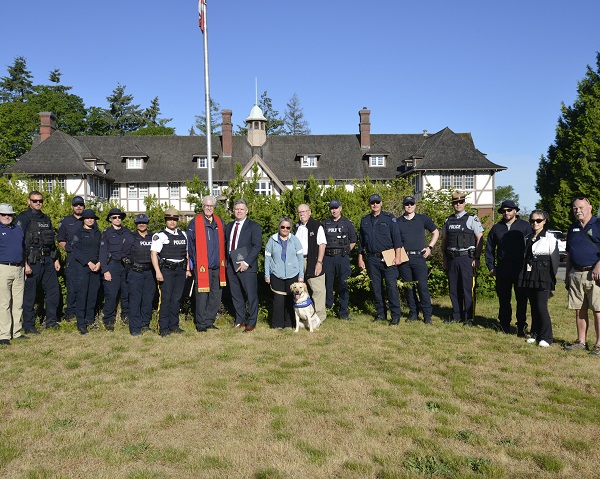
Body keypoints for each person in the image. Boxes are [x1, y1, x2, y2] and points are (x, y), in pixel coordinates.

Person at [15, 191, 61, 333]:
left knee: (53, 291)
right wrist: (25, 264)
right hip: (32, 260)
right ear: (29, 201)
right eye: (35, 201)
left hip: (48, 260)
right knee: (30, 295)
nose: (38, 203)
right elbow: (19, 243)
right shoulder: (23, 218)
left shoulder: (46, 219)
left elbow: (51, 242)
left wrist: (56, 259)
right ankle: (28, 325)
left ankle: (51, 321)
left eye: (40, 200)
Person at [485, 199, 533, 336]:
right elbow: (489, 248)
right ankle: (504, 325)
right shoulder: (497, 228)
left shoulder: (525, 226)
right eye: (504, 211)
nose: (506, 213)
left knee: (521, 299)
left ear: (515, 211)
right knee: (504, 298)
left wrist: (530, 266)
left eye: (509, 210)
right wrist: (491, 266)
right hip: (503, 268)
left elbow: (532, 247)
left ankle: (521, 326)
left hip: (520, 268)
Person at [357, 194, 404, 325]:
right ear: (370, 204)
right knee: (376, 288)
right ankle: (381, 314)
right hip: (372, 258)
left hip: (389, 256)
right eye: (372, 202)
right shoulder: (365, 220)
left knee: (391, 286)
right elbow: (361, 242)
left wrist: (398, 256)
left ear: (381, 203)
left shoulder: (389, 218)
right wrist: (360, 258)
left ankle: (395, 315)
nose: (375, 204)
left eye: (377, 202)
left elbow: (397, 239)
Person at [441, 191, 484, 326]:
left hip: (466, 258)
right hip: (452, 259)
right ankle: (456, 315)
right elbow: (444, 241)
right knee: (454, 289)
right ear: (452, 204)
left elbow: (480, 238)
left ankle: (469, 318)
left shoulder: (472, 218)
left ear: (464, 203)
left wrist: (476, 257)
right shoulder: (448, 220)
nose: (458, 204)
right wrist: (445, 259)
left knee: (467, 289)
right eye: (455, 202)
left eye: (460, 202)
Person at [564, 196, 600, 355]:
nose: (578, 211)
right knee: (579, 309)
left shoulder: (598, 224)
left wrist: (599, 266)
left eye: (581, 207)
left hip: (595, 274)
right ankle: (581, 341)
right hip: (576, 274)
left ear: (590, 207)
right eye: (575, 208)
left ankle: (599, 344)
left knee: (598, 310)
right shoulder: (573, 228)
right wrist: (567, 274)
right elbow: (569, 253)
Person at [518, 210, 559, 347]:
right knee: (534, 306)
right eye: (532, 220)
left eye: (538, 220)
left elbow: (555, 261)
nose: (535, 223)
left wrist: (551, 279)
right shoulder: (527, 238)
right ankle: (534, 333)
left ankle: (547, 337)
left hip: (544, 276)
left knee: (542, 307)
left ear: (544, 221)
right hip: (530, 275)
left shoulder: (550, 238)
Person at [396, 195, 439, 325]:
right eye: (407, 204)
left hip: (419, 257)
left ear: (415, 205)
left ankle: (427, 316)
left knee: (422, 287)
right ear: (403, 206)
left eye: (411, 204)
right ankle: (413, 313)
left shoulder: (422, 219)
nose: (409, 206)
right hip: (404, 258)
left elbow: (436, 232)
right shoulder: (397, 221)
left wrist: (429, 247)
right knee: (408, 288)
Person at [187, 196, 227, 333]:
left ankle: (210, 321)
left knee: (216, 294)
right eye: (206, 205)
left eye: (211, 206)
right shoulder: (195, 222)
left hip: (217, 264)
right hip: (202, 265)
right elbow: (191, 244)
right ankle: (201, 323)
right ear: (202, 206)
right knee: (202, 294)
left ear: (214, 207)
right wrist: (195, 262)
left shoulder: (219, 222)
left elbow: (225, 242)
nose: (209, 208)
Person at [152, 208, 192, 336]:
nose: (172, 222)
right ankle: (163, 328)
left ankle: (174, 325)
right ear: (166, 220)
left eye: (174, 219)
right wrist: (158, 272)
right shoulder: (160, 236)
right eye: (170, 219)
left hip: (180, 270)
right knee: (166, 299)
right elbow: (153, 255)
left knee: (176, 299)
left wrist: (187, 269)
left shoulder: (183, 234)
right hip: (166, 271)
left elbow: (187, 253)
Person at [226, 199, 262, 332]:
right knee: (236, 294)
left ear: (246, 211)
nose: (239, 211)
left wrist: (246, 262)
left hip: (247, 265)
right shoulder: (229, 226)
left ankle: (251, 322)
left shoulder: (254, 226)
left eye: (242, 209)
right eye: (237, 209)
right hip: (231, 264)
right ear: (233, 211)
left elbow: (257, 246)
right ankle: (239, 320)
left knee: (251, 295)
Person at [265, 217, 305, 329]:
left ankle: (289, 324)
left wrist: (301, 275)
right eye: (283, 227)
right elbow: (267, 259)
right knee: (278, 300)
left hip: (293, 274)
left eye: (288, 227)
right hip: (276, 274)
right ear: (279, 227)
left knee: (290, 300)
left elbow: (300, 258)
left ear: (290, 228)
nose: (285, 229)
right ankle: (277, 324)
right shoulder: (272, 240)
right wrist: (267, 275)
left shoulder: (295, 240)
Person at [322, 200, 357, 321]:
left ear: (340, 208)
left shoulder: (347, 223)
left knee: (343, 284)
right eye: (332, 208)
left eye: (336, 208)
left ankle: (343, 312)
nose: (334, 210)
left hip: (342, 258)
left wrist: (346, 252)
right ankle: (327, 310)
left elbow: (353, 240)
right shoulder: (325, 224)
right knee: (328, 285)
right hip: (328, 258)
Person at [99, 208, 132, 331]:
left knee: (126, 293)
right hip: (112, 266)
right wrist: (105, 270)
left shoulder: (127, 232)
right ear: (110, 219)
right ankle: (108, 320)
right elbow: (102, 253)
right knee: (111, 295)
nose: (117, 219)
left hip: (126, 267)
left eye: (119, 217)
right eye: (114, 217)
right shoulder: (106, 233)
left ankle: (125, 317)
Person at [70, 209, 101, 335]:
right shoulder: (79, 232)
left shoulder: (98, 232)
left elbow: (102, 249)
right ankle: (81, 323)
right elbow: (76, 251)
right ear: (83, 219)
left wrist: (99, 263)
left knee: (92, 295)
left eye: (92, 218)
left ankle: (90, 320)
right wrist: (88, 263)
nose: (90, 220)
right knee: (82, 295)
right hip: (83, 267)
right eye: (87, 218)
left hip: (96, 267)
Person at [295, 204, 327, 322]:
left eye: (304, 211)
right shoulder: (296, 227)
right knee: (299, 289)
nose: (302, 214)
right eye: (300, 212)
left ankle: (319, 318)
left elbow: (322, 245)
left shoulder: (317, 226)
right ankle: (302, 318)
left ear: (310, 212)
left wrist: (319, 262)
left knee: (318, 290)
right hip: (298, 261)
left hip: (312, 260)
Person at [125, 214, 156, 336]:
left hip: (149, 272)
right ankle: (135, 328)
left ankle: (145, 324)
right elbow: (124, 253)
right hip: (135, 272)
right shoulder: (131, 237)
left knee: (147, 300)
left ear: (147, 223)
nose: (142, 224)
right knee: (135, 300)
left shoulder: (154, 237)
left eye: (144, 222)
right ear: (136, 224)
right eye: (139, 223)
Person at [0, 203, 25, 345]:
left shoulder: (17, 229)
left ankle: (16, 332)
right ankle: (4, 335)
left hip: (19, 269)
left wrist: (24, 266)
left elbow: (23, 249)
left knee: (18, 303)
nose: (6, 217)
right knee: (4, 303)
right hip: (3, 268)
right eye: (3, 214)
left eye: (9, 214)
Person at [57, 195, 86, 321]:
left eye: (80, 205)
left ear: (84, 207)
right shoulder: (66, 221)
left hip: (86, 259)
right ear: (72, 207)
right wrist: (69, 250)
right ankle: (70, 314)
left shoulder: (89, 219)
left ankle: (82, 312)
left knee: (84, 286)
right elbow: (61, 240)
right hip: (72, 258)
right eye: (76, 205)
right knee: (72, 287)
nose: (78, 207)